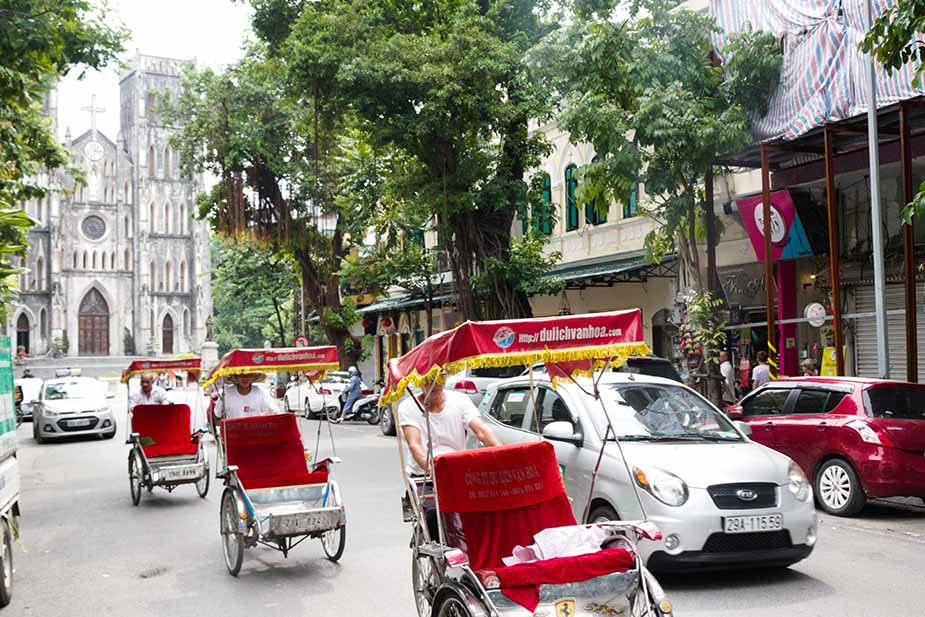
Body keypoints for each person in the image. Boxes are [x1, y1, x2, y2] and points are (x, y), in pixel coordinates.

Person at [399, 379, 501, 540]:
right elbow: (415, 445)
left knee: (488, 511)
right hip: (424, 476)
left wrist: (502, 455)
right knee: (434, 516)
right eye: (429, 379)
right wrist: (432, 468)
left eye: (440, 378)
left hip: (459, 472)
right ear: (418, 380)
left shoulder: (460, 400)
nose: (435, 383)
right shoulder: (408, 407)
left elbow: (481, 431)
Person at [213, 373, 279, 420]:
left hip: (256, 435)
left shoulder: (261, 392)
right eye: (241, 375)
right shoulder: (226, 393)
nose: (245, 378)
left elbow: (275, 412)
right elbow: (217, 415)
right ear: (235, 377)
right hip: (233, 436)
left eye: (249, 374)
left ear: (253, 377)